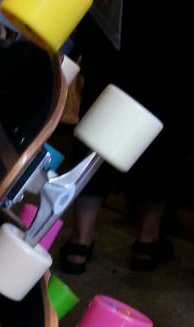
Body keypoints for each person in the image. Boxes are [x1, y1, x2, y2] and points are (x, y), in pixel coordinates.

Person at [58, 6, 188, 273]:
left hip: (113, 22)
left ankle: (80, 243)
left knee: (99, 117)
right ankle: (146, 242)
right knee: (159, 128)